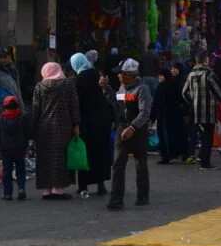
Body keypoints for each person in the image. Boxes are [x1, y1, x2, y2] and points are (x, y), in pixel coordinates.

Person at [102, 58, 152, 210]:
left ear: (129, 75)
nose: (118, 76)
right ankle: (116, 199)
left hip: (138, 131)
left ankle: (143, 196)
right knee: (118, 164)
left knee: (140, 164)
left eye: (121, 74)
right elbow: (118, 101)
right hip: (122, 129)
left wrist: (132, 128)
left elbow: (144, 112)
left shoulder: (142, 89)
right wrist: (107, 88)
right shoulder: (123, 88)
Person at [33, 62, 80, 200]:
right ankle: (58, 190)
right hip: (62, 126)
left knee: (45, 158)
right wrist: (76, 124)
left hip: (44, 127)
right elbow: (74, 105)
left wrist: (33, 128)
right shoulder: (67, 84)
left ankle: (46, 190)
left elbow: (36, 109)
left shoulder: (39, 87)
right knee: (60, 157)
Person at [71, 52, 113, 197]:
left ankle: (83, 187)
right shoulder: (98, 74)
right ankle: (101, 186)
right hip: (102, 120)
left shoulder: (78, 80)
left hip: (86, 122)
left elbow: (76, 104)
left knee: (84, 154)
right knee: (100, 152)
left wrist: (75, 123)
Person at [182, 50, 221, 169]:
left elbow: (184, 93)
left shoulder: (191, 74)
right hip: (208, 111)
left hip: (196, 111)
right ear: (205, 60)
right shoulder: (209, 74)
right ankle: (205, 162)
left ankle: (202, 158)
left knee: (203, 135)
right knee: (208, 137)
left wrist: (193, 101)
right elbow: (219, 92)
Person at [0, 96, 30, 200]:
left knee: (7, 171)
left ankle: (7, 194)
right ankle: (21, 189)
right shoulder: (23, 117)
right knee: (21, 170)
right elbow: (28, 133)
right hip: (19, 149)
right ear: (17, 106)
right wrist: (26, 145)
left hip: (5, 149)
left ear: (5, 106)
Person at [152, 67, 187, 165]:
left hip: (163, 116)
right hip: (176, 115)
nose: (159, 78)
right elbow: (182, 99)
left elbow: (156, 103)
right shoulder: (176, 85)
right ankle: (183, 154)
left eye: (160, 76)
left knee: (164, 137)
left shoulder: (160, 87)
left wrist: (152, 117)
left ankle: (166, 157)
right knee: (179, 135)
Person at [0, 47, 21, 121]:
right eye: (0, 57)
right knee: (1, 131)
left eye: (4, 56)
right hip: (1, 107)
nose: (2, 59)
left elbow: (18, 90)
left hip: (15, 106)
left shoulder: (13, 70)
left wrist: (21, 106)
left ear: (9, 57)